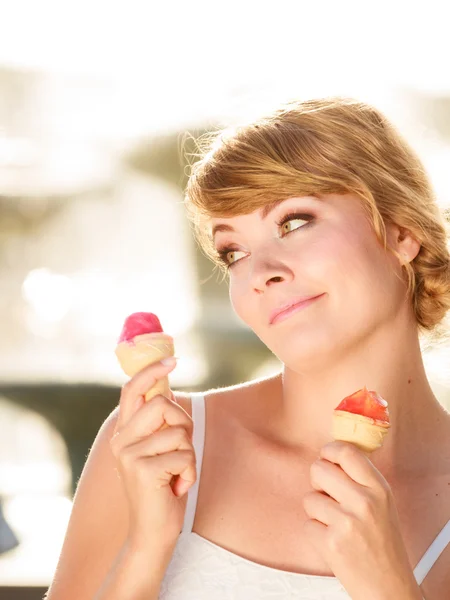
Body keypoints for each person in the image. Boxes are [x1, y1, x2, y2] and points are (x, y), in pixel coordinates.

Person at [45, 97, 450, 600]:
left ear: (402, 233)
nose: (260, 273)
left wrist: (389, 588)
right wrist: (146, 549)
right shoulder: (154, 450)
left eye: (295, 222)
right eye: (232, 252)